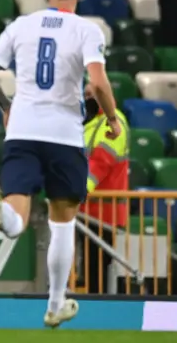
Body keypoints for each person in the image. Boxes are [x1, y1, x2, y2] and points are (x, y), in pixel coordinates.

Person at [0, 0, 121, 328]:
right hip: (64, 135)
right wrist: (112, 117)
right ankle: (55, 303)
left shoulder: (21, 25)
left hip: (23, 130)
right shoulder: (87, 30)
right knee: (62, 223)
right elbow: (100, 84)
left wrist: (6, 107)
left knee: (16, 221)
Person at [78, 85, 129, 294]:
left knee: (102, 274)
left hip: (106, 216)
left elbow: (100, 163)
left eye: (94, 95)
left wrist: (78, 190)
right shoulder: (88, 122)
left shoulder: (113, 121)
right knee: (91, 274)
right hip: (86, 213)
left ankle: (110, 318)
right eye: (87, 94)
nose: (88, 98)